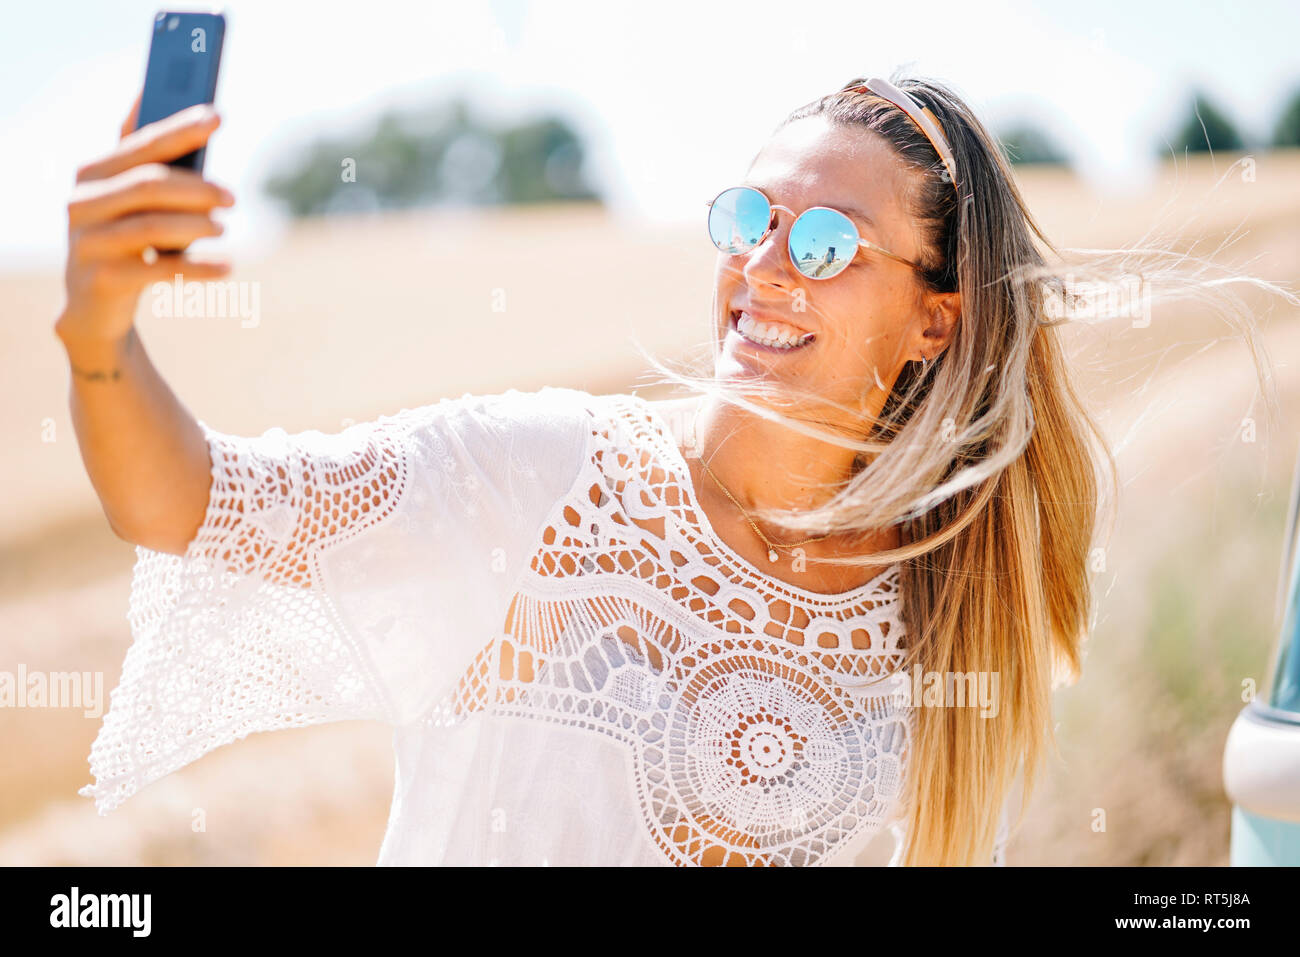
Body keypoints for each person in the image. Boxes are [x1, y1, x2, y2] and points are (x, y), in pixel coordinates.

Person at [57, 74, 1281, 866]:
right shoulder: (541, 479)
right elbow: (188, 501)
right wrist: (100, 334)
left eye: (825, 242)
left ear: (935, 320)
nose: (766, 268)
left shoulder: (949, 609)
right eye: (750, 220)